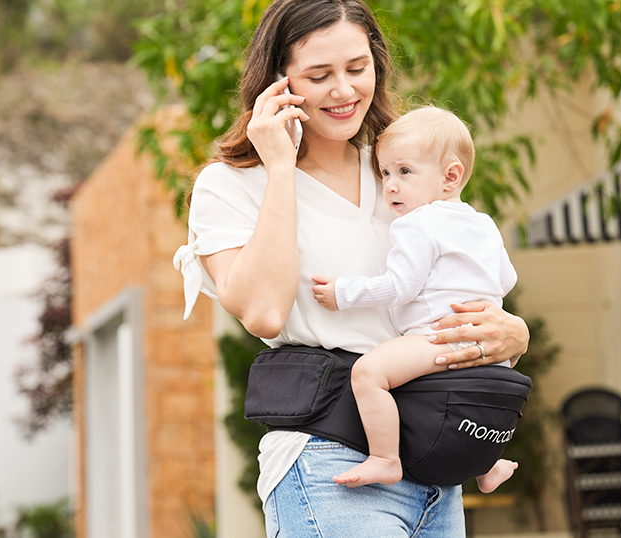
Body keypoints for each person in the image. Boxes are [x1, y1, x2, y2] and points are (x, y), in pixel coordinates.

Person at [172, 1, 529, 536]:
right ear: (279, 82)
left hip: (435, 453)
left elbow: (464, 275)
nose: (343, 90)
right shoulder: (229, 186)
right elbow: (264, 312)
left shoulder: (399, 169)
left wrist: (511, 332)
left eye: (357, 69)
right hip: (330, 459)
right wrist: (277, 167)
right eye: (319, 75)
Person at [311, 105, 519, 492]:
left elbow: (399, 287)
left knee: (370, 374)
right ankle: (487, 466)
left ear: (450, 176)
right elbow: (507, 279)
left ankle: (385, 459)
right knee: (470, 406)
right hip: (492, 350)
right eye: (385, 172)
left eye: (404, 172)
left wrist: (342, 292)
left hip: (437, 337)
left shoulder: (417, 223)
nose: (390, 185)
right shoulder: (483, 223)